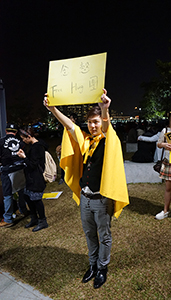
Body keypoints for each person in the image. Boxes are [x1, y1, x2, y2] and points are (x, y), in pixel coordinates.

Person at [43, 89, 129, 289]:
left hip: (101, 199)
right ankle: (92, 265)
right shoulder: (86, 141)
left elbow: (108, 128)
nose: (92, 125)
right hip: (86, 197)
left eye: (96, 121)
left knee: (104, 235)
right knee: (90, 234)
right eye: (90, 122)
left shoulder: (109, 141)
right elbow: (69, 126)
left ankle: (102, 268)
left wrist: (105, 109)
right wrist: (53, 109)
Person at [17, 128, 48, 232]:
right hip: (31, 178)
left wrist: (24, 157)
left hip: (36, 178)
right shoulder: (35, 146)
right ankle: (34, 218)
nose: (23, 141)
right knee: (27, 197)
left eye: (23, 139)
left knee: (36, 200)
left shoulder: (37, 147)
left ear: (29, 137)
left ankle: (42, 221)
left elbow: (33, 165)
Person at [0, 123, 28, 227]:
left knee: (7, 194)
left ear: (6, 131)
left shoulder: (1, 142)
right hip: (20, 168)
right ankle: (23, 210)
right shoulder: (21, 142)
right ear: (16, 132)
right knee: (21, 190)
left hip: (7, 170)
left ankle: (8, 218)